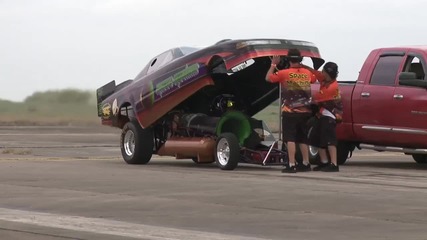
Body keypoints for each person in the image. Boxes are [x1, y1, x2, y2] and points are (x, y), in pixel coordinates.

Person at [265, 49, 316, 173]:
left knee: (290, 139)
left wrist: (273, 64)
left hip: (290, 111)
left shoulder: (284, 73)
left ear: (288, 60)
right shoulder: (307, 73)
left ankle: (292, 164)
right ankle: (306, 163)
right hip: (306, 111)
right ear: (300, 59)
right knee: (303, 139)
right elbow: (314, 79)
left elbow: (268, 78)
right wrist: (302, 65)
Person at [302, 62, 343, 172]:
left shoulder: (332, 88)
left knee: (330, 140)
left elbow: (317, 99)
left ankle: (334, 164)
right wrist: (303, 66)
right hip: (321, 115)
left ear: (327, 73)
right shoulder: (324, 79)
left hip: (330, 116)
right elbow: (314, 72)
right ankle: (324, 162)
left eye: (323, 71)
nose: (321, 73)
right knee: (316, 139)